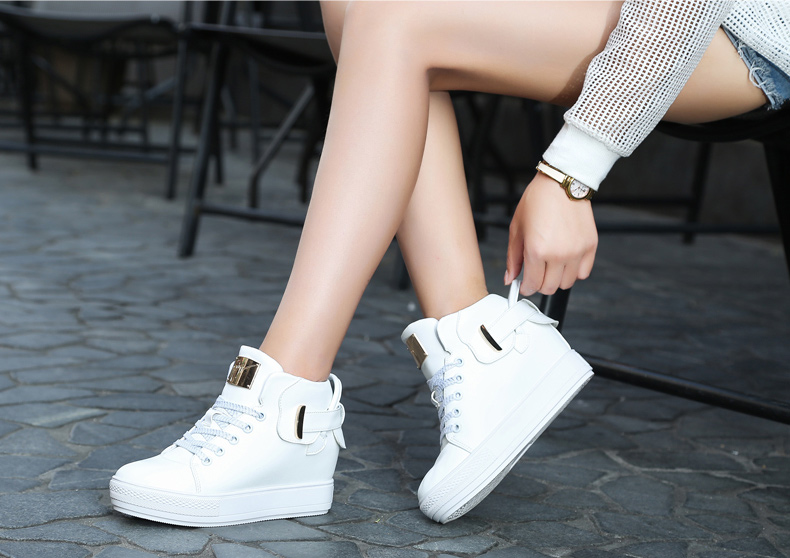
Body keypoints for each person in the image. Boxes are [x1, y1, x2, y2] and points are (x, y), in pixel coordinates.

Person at [109, 1, 790, 527]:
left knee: (394, 21)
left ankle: (287, 404)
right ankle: (477, 341)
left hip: (738, 32)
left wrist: (572, 171)